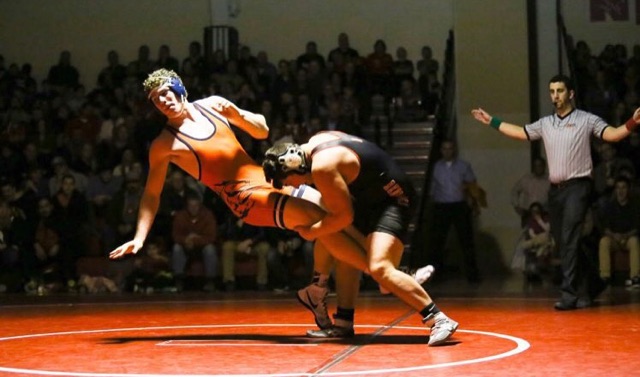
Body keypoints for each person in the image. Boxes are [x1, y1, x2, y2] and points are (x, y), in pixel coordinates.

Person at [108, 69, 368, 295]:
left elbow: (262, 130)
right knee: (314, 216)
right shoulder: (164, 144)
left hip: (265, 179)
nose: (163, 101)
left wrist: (235, 113)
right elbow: (152, 194)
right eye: (155, 100)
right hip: (244, 198)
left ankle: (340, 280)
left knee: (338, 211)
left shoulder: (213, 105)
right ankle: (379, 273)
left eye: (165, 93)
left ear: (178, 88)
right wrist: (140, 238)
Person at [262, 131, 457, 346]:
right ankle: (341, 319)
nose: (296, 186)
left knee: (380, 267)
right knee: (338, 245)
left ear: (294, 164)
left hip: (393, 200)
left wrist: (310, 231)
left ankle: (438, 318)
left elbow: (344, 217)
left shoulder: (322, 167)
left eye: (290, 181)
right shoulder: (318, 141)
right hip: (369, 198)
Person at [471, 74, 640, 310]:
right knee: (562, 243)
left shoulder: (586, 119)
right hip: (556, 191)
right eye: (552, 91)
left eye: (559, 91)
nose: (555, 96)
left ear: (570, 93)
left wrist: (632, 122)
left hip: (579, 187)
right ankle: (593, 283)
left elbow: (611, 134)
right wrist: (492, 121)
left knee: (570, 238)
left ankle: (569, 294)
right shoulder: (546, 123)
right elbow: (521, 132)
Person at [428, 139, 481, 283]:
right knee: (438, 242)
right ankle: (435, 275)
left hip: (459, 206)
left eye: (450, 148)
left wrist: (474, 204)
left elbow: (472, 185)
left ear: (454, 150)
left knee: (466, 241)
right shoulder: (435, 167)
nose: (447, 151)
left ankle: (472, 275)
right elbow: (432, 190)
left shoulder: (463, 166)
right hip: (441, 206)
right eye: (444, 148)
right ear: (441, 150)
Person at [596, 176, 640, 289]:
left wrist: (625, 236)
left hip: (628, 238)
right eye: (618, 188)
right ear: (615, 190)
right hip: (614, 238)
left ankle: (635, 277)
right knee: (604, 241)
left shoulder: (634, 205)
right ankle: (605, 277)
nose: (621, 191)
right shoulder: (610, 206)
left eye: (623, 187)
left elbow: (637, 227)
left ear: (628, 189)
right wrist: (614, 235)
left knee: (634, 241)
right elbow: (604, 227)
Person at [171, 193, 219, 292]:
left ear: (200, 206)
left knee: (210, 249)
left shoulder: (207, 215)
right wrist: (185, 240)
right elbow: (175, 236)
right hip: (185, 246)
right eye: (191, 206)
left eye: (196, 206)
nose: (193, 208)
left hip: (203, 247)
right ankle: (179, 280)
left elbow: (211, 237)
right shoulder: (180, 216)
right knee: (177, 248)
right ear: (187, 206)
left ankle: (210, 281)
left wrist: (194, 240)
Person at [510, 157, 550, 227]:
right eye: (536, 166)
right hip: (528, 213)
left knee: (544, 235)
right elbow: (514, 191)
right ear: (533, 167)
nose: (538, 168)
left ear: (544, 166)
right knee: (528, 235)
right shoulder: (526, 179)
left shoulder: (549, 180)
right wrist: (516, 206)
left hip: (544, 214)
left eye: (540, 165)